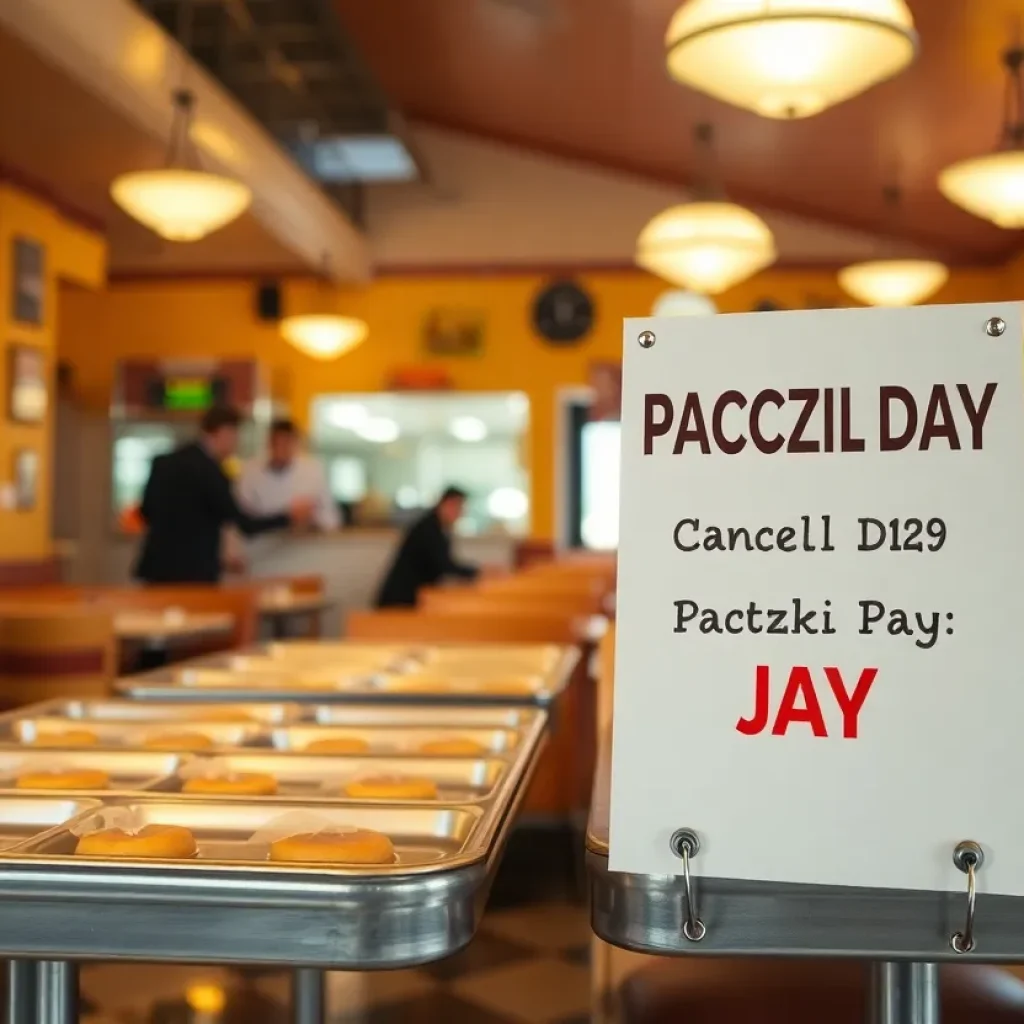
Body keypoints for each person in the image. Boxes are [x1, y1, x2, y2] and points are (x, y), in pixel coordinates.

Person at [134, 406, 312, 584]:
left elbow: (145, 512)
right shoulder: (212, 472)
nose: (236, 445)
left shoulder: (163, 463)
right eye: (236, 437)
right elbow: (245, 525)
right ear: (225, 433)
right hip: (195, 576)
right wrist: (288, 516)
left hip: (155, 570)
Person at [375, 486, 479, 607]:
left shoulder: (438, 527)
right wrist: (476, 572)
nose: (461, 513)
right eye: (459, 508)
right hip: (401, 600)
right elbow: (444, 564)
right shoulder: (429, 529)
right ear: (447, 504)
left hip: (412, 596)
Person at [237, 418, 339, 532]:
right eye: (277, 443)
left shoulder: (312, 471)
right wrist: (288, 516)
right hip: (261, 545)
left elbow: (332, 519)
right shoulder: (251, 471)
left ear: (295, 444)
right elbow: (242, 518)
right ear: (268, 443)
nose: (281, 449)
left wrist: (311, 516)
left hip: (302, 545)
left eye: (286, 443)